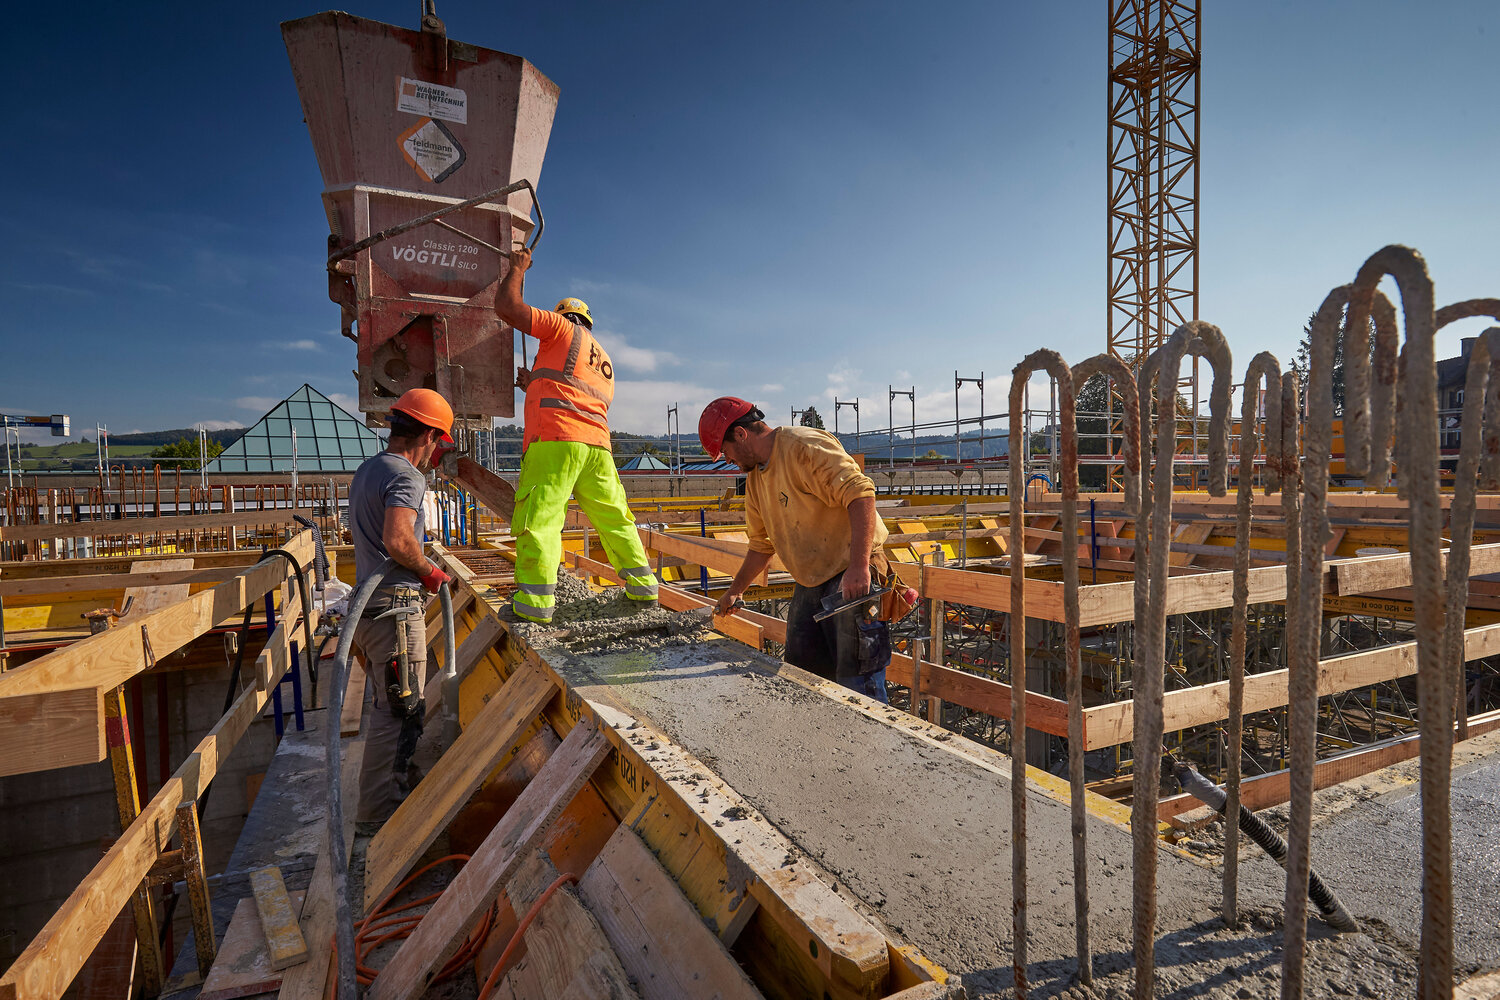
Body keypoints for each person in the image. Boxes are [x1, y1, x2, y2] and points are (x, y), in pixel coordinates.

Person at [495, 246, 657, 623]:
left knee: (542, 518)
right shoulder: (602, 358)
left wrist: (517, 268)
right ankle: (644, 587)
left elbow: (508, 307)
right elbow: (570, 389)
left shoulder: (559, 327)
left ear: (564, 316)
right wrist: (533, 382)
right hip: (597, 448)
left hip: (555, 442)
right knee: (615, 518)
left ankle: (534, 606)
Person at [699, 397, 892, 702]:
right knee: (802, 677)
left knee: (858, 684)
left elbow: (861, 494)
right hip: (810, 580)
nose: (727, 459)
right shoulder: (754, 481)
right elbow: (761, 546)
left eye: (725, 451)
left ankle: (874, 746)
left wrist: (859, 566)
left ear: (740, 434)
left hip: (851, 569)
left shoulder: (802, 446)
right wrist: (736, 590)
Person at [347, 387, 454, 830]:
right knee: (400, 714)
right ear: (428, 434)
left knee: (388, 706)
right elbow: (399, 540)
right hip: (395, 613)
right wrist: (429, 571)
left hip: (368, 612)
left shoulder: (368, 469)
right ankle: (380, 821)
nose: (436, 454)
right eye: (439, 443)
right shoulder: (407, 476)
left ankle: (396, 790)